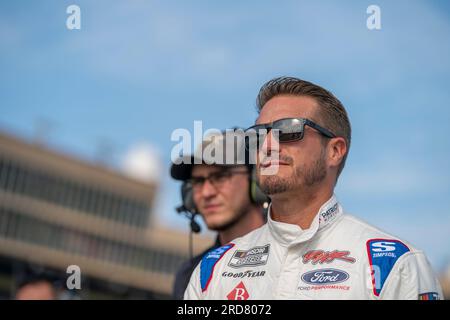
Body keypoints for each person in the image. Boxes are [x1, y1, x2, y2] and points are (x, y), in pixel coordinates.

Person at [184, 76, 443, 300]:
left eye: (288, 129)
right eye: (260, 135)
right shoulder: (213, 269)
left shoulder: (394, 264)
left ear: (334, 151)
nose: (269, 146)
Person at [170, 131, 268, 300]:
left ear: (256, 178)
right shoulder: (190, 273)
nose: (207, 192)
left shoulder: (295, 256)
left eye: (221, 176)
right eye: (198, 181)